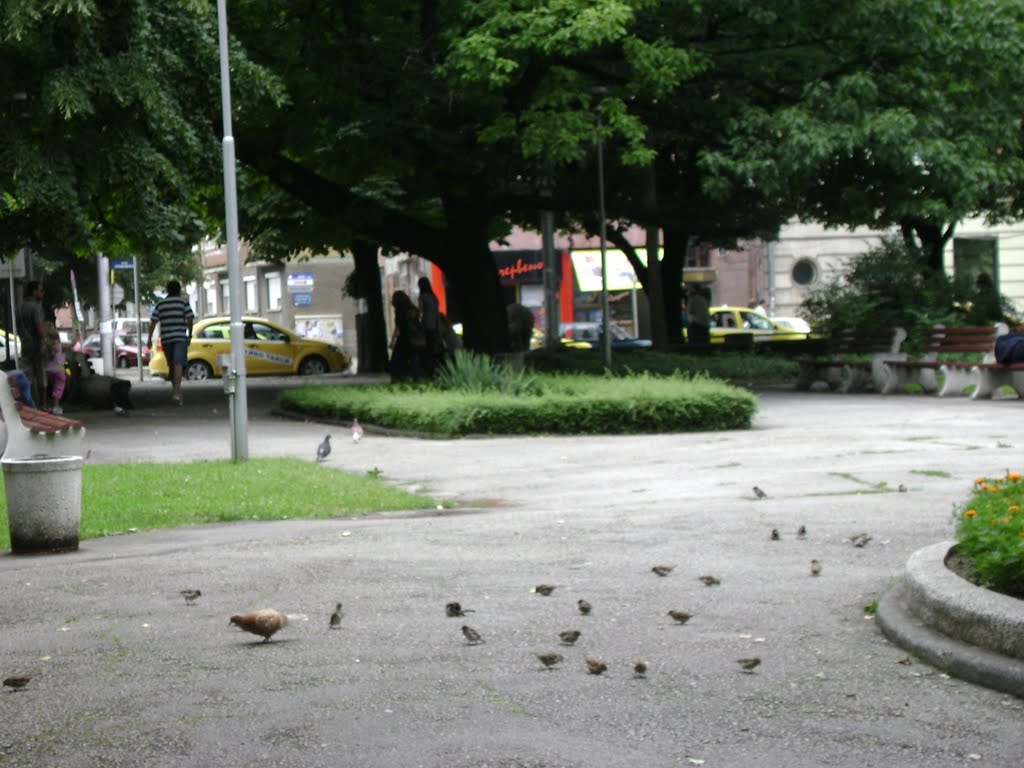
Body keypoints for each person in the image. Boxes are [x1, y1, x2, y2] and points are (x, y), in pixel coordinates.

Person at [147, 280, 195, 406]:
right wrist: (189, 334)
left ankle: (176, 391)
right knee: (178, 363)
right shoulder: (183, 302)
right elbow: (189, 319)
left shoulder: (161, 304)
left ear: (167, 290)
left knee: (172, 364)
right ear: (179, 290)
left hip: (166, 339)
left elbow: (153, 322)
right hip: (179, 337)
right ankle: (176, 392)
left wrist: (149, 338)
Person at [16, 280, 46, 407]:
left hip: (24, 346)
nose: (42, 293)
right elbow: (40, 328)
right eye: (40, 290)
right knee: (41, 378)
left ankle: (29, 405)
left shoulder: (19, 308)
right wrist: (48, 340)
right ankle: (43, 406)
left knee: (27, 377)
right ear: (34, 292)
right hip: (37, 347)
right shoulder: (36, 307)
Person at [389, 290, 422, 382]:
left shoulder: (400, 311)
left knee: (398, 358)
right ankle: (415, 376)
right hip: (414, 337)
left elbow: (399, 326)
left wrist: (393, 340)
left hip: (405, 337)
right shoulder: (413, 309)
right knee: (414, 357)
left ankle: (399, 377)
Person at [417, 277, 444, 376]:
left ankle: (428, 370)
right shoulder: (433, 297)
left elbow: (420, 312)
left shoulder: (422, 297)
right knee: (435, 348)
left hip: (426, 325)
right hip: (435, 326)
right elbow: (437, 313)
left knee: (427, 349)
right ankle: (438, 369)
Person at [43, 322, 66, 415]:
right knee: (58, 386)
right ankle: (56, 406)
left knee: (45, 386)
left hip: (47, 369)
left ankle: (44, 405)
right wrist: (75, 340)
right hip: (59, 369)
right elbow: (69, 346)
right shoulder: (58, 345)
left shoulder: (44, 346)